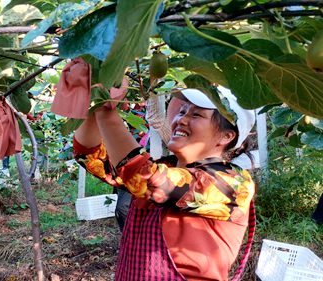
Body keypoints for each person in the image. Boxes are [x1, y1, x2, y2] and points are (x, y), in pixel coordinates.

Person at [73, 86, 256, 280]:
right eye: (183, 111)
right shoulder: (164, 168)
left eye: (197, 115)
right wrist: (99, 104)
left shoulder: (235, 184)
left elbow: (151, 180)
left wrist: (107, 112)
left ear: (226, 136)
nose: (181, 119)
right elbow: (89, 155)